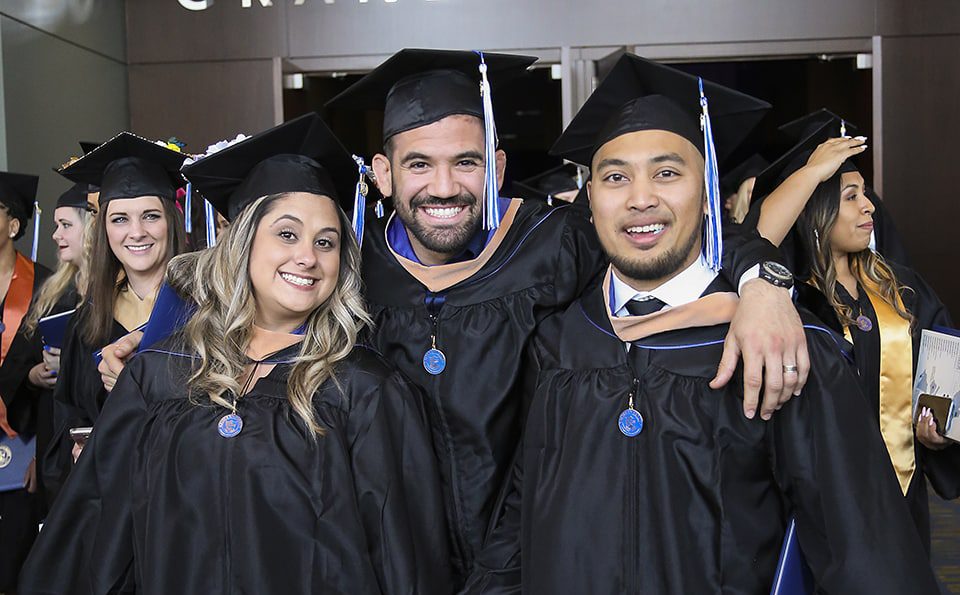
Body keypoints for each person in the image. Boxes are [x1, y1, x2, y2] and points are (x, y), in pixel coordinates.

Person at [323, 48, 808, 584]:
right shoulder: (348, 271)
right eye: (419, 164)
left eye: (467, 161)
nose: (443, 187)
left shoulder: (553, 242)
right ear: (383, 174)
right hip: (397, 563)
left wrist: (764, 281)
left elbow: (673, 234)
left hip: (534, 556)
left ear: (498, 169)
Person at [464, 52, 942, 595]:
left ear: (708, 189)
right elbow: (526, 515)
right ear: (590, 198)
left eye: (667, 173)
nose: (641, 199)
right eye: (615, 177)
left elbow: (865, 552)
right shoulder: (559, 343)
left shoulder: (787, 347)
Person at [20, 113, 453, 595]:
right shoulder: (159, 374)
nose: (307, 256)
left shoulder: (364, 389)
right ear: (243, 243)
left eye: (326, 242)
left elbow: (402, 560)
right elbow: (99, 530)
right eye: (286, 234)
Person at [751, 120, 960, 551]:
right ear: (816, 212)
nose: (870, 207)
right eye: (851, 197)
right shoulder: (793, 303)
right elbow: (756, 244)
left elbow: (941, 356)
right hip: (830, 497)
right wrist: (811, 172)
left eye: (866, 194)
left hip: (905, 485)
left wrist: (940, 427)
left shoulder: (899, 286)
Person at [42, 133, 188, 497]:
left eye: (150, 216)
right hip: (108, 499)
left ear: (170, 219)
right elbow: (67, 415)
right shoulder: (87, 322)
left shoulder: (202, 312)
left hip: (184, 499)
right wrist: (78, 448)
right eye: (120, 219)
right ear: (104, 229)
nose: (136, 232)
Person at [0, 182, 94, 508]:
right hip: (50, 427)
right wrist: (33, 375)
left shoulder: (111, 295)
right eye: (56, 225)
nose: (56, 235)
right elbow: (19, 366)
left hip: (86, 438)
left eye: (65, 225)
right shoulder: (54, 292)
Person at [0, 171, 51, 592]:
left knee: (18, 565)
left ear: (13, 224)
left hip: (24, 447)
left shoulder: (50, 287)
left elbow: (57, 384)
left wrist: (44, 454)